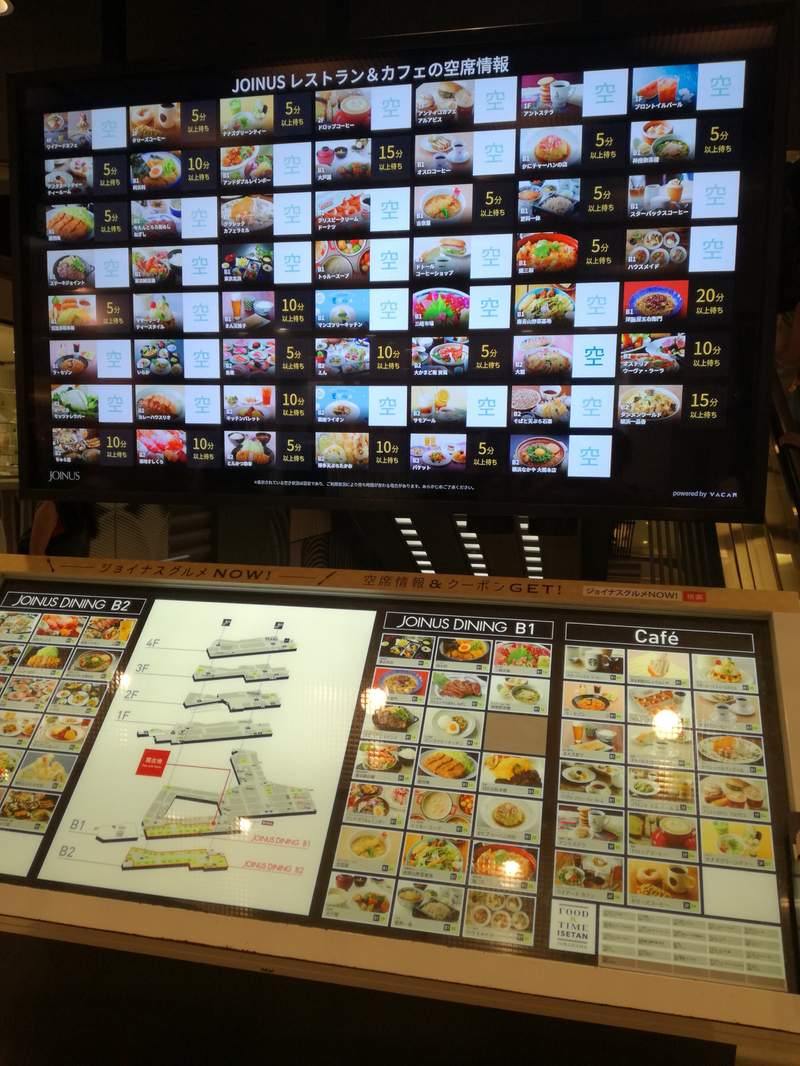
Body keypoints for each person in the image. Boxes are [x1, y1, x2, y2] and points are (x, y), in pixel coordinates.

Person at [22, 501, 99, 556]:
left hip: (74, 569)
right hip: (52, 570)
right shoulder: (51, 506)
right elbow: (36, 554)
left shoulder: (85, 507)